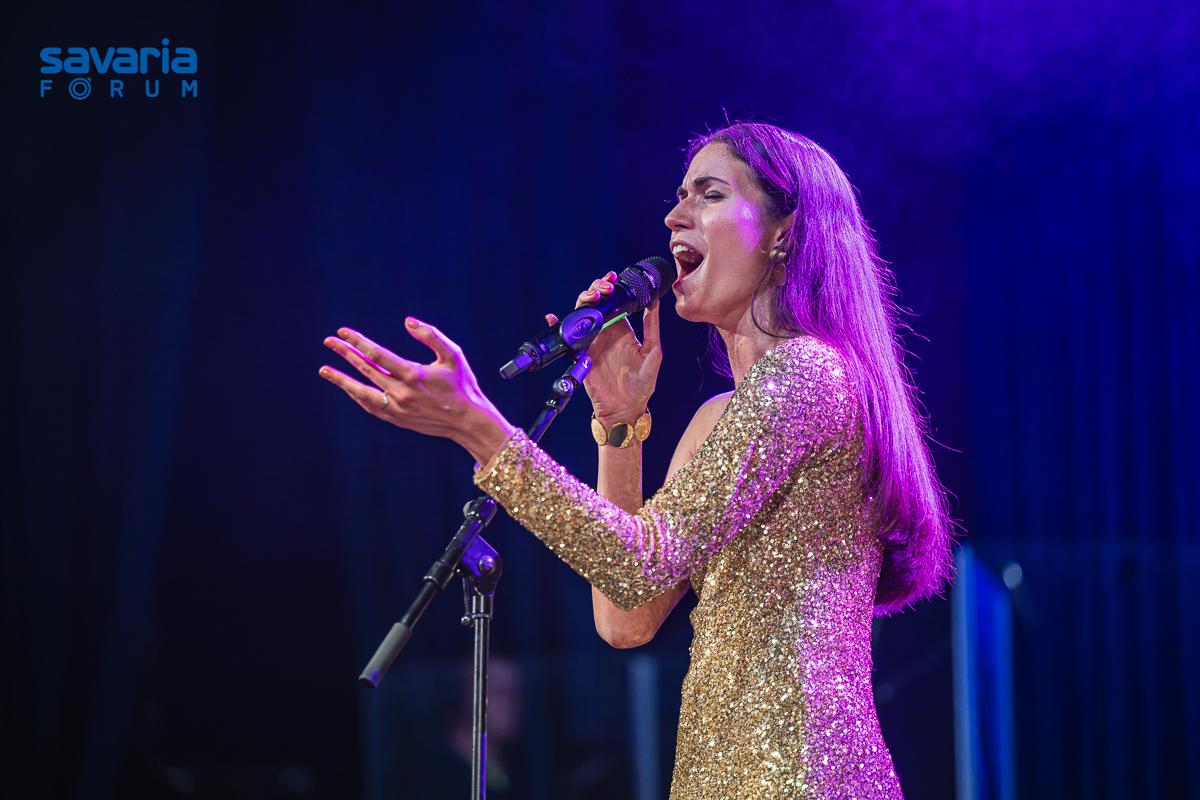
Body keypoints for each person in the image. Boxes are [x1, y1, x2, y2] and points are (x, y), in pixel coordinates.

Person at [319, 121, 954, 799]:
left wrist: (480, 429)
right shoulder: (719, 417)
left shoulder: (809, 373)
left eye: (710, 194)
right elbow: (627, 616)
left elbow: (637, 563)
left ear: (784, 232)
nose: (675, 216)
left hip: (803, 774)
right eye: (679, 196)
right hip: (713, 777)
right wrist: (620, 424)